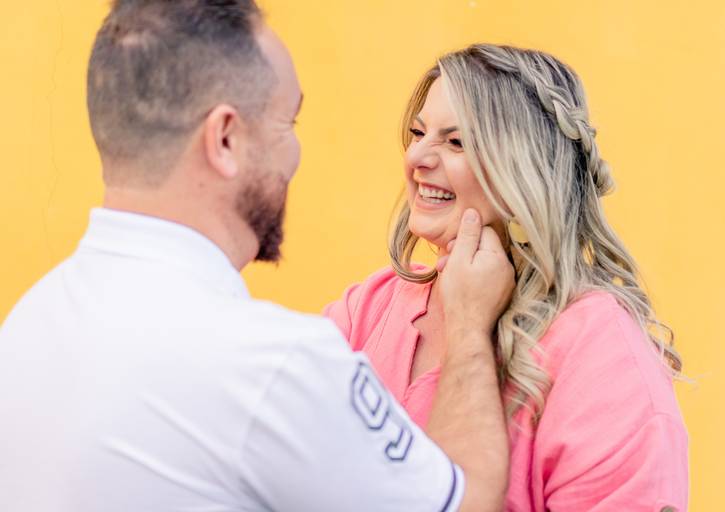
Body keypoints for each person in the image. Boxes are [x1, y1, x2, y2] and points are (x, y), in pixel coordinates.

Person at [0, 2, 513, 511]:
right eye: (287, 122)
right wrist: (468, 326)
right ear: (225, 138)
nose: (295, 155)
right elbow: (465, 503)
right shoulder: (271, 365)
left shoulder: (29, 324)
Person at [325, 45, 689, 511]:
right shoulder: (370, 308)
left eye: (456, 142)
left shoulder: (601, 355)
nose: (416, 156)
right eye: (418, 133)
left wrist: (467, 327)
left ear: (524, 171)